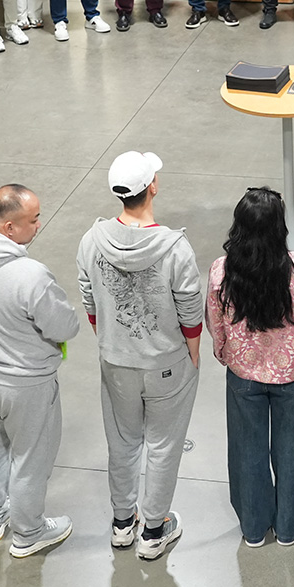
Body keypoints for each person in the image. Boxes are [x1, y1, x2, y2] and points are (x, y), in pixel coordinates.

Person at [77, 151, 203, 562]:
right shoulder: (174, 247)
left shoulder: (91, 240)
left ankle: (121, 523)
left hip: (116, 362)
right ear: (152, 187)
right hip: (166, 362)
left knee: (123, 441)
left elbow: (89, 297)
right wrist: (194, 352)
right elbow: (189, 307)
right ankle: (153, 529)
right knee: (164, 445)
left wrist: (109, 339)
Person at [0, 183, 81, 557]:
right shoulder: (30, 275)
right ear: (9, 227)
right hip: (25, 383)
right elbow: (64, 327)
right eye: (33, 219)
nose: (39, 225)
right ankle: (28, 533)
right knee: (30, 459)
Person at [207, 187, 294, 548]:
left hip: (244, 374)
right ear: (280, 226)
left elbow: (216, 323)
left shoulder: (222, 271)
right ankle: (289, 528)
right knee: (292, 450)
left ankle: (253, 527)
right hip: (291, 373)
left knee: (247, 451)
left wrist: (226, 354)